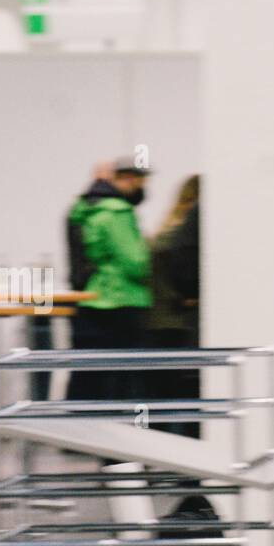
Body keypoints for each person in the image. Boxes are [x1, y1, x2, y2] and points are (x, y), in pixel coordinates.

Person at [64, 155, 152, 402]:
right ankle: (121, 437)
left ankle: (78, 435)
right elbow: (136, 263)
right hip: (121, 300)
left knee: (89, 376)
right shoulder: (116, 211)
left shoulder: (85, 209)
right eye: (142, 182)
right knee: (123, 379)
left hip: (92, 299)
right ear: (129, 179)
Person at [144, 174, 201, 437]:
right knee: (186, 402)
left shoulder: (166, 230)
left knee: (161, 401)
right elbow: (184, 279)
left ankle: (159, 465)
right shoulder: (186, 234)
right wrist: (190, 294)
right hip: (177, 325)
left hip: (157, 325)